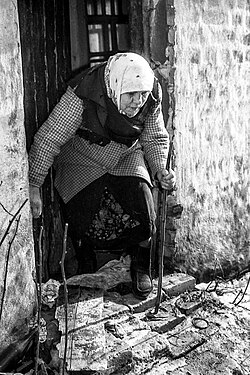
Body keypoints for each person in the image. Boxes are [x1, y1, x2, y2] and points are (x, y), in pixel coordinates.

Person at [29, 52, 175, 299]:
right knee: (82, 216)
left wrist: (161, 168)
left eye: (142, 95)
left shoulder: (151, 95)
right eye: (131, 95)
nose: (137, 102)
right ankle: (87, 262)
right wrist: (33, 183)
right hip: (82, 155)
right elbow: (49, 138)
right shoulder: (83, 92)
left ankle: (140, 266)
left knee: (143, 208)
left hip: (125, 154)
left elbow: (154, 137)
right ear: (116, 86)